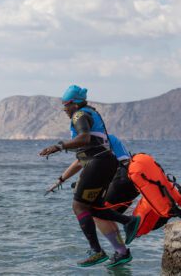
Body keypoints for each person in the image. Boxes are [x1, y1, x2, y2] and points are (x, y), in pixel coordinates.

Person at [39, 85, 139, 268]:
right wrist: (60, 180)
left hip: (99, 164)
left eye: (66, 105)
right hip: (104, 163)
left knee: (78, 206)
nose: (64, 110)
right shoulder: (89, 113)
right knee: (93, 207)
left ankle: (97, 251)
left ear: (74, 104)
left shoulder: (79, 115)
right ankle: (129, 221)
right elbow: (82, 156)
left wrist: (59, 146)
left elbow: (84, 138)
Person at [46, 134, 135, 268]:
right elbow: (82, 162)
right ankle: (122, 247)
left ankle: (121, 249)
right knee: (98, 210)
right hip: (127, 175)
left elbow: (82, 162)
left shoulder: (93, 139)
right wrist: (61, 180)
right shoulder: (101, 137)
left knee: (95, 210)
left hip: (121, 176)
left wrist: (62, 180)